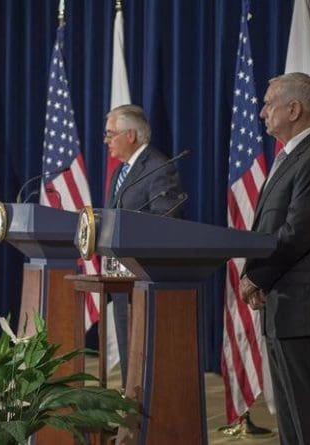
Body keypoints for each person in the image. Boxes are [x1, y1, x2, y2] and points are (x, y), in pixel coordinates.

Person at [240, 72, 310, 445]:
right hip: (282, 305)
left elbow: (298, 232)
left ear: (294, 108)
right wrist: (256, 274)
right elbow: (269, 230)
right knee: (290, 416)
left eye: (269, 103)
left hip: (305, 307)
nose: (262, 112)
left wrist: (256, 277)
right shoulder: (290, 157)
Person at [103, 104, 185, 385]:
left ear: (130, 135)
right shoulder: (119, 172)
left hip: (146, 276)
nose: (106, 141)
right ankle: (131, 415)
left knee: (143, 354)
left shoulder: (159, 167)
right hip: (121, 275)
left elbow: (166, 218)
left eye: (110, 134)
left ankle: (145, 418)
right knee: (129, 353)